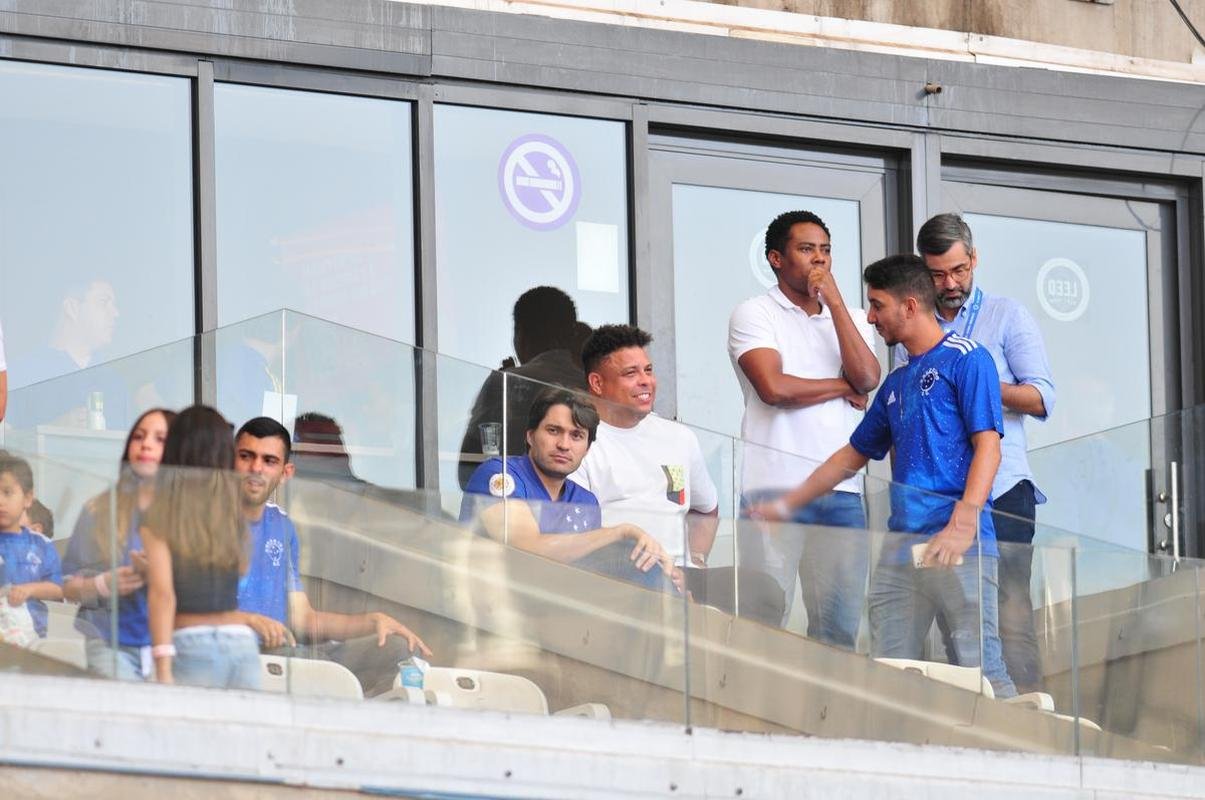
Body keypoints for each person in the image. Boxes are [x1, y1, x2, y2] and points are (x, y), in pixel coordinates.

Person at [758, 254, 1016, 698]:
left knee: (982, 670)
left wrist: (963, 522)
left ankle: (1021, 740)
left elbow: (989, 447)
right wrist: (787, 504)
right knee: (889, 674)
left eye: (877, 306)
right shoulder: (896, 383)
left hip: (961, 544)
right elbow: (851, 455)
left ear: (910, 306)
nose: (871, 317)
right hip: (901, 550)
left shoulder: (967, 359)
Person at [912, 213, 1055, 693]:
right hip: (942, 498)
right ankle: (977, 717)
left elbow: (1042, 397)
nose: (950, 284)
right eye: (938, 274)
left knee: (1010, 611)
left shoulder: (1007, 315)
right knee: (958, 618)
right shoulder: (916, 325)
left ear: (974, 259)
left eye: (959, 270)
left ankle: (1030, 718)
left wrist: (977, 385)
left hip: (1004, 489)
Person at [729, 210, 880, 644]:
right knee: (763, 623)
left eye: (826, 250)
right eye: (806, 249)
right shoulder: (754, 313)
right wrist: (842, 386)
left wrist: (835, 304)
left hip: (843, 495)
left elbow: (868, 377)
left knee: (839, 633)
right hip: (774, 490)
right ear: (776, 258)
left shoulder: (851, 316)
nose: (820, 259)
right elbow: (774, 388)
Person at [570, 325, 784, 626]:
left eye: (648, 370)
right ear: (597, 383)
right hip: (619, 575)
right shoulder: (577, 442)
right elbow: (578, 539)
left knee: (763, 591)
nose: (646, 381)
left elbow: (706, 508)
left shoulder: (678, 437)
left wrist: (695, 560)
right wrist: (658, 574)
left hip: (681, 572)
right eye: (631, 373)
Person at [233, 416, 432, 697]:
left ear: (286, 473)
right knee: (317, 666)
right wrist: (250, 621)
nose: (256, 468)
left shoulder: (282, 526)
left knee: (398, 651)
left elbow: (303, 619)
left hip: (293, 655)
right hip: (245, 657)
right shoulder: (207, 518)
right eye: (246, 456)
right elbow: (187, 613)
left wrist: (372, 620)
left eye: (269, 461)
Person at [460, 386, 676, 590]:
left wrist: (664, 574)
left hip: (554, 606)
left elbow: (586, 571)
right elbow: (527, 552)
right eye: (554, 431)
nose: (564, 445)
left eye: (576, 436)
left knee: (650, 570)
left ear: (587, 449)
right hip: (486, 606)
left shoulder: (584, 500)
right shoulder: (500, 474)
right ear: (530, 436)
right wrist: (621, 532)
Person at [142, 405, 260, 689]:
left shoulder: (160, 514)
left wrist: (163, 667)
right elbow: (242, 567)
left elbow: (162, 595)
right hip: (241, 643)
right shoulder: (230, 512)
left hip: (190, 642)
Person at [62, 408, 176, 680]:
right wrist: (102, 584)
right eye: (139, 436)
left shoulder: (188, 514)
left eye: (160, 439)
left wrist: (159, 571)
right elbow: (66, 586)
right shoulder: (99, 509)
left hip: (172, 647)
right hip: (109, 642)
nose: (146, 444)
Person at [458, 287, 588, 488]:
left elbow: (468, 469)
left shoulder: (505, 383)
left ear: (521, 335)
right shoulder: (595, 388)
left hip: (508, 499)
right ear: (571, 335)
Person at [0, 451, 63, 640]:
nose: (0, 501)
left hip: (32, 638)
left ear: (27, 498)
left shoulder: (41, 545)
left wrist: (29, 589)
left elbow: (58, 588)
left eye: (7, 492)